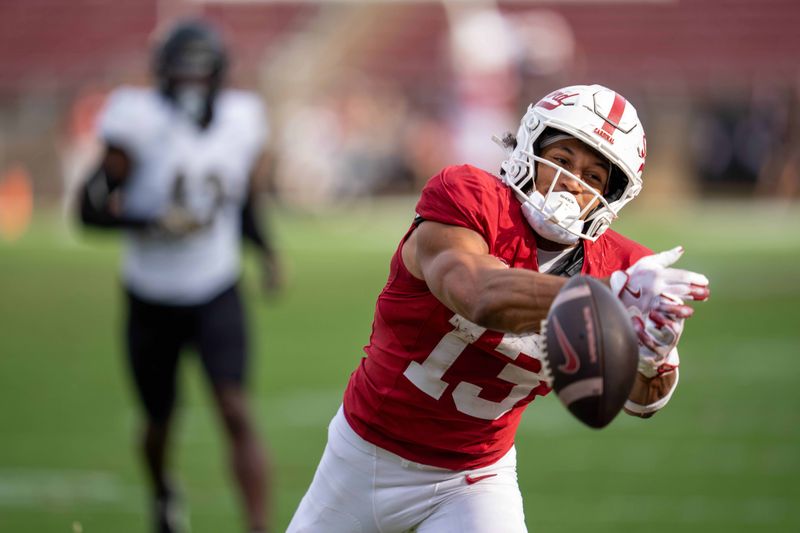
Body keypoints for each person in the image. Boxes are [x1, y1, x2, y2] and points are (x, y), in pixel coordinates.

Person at [286, 84, 710, 533]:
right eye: (562, 160)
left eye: (593, 177)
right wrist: (598, 300)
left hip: (473, 478)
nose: (571, 181)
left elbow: (643, 402)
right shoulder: (468, 196)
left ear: (614, 195)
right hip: (363, 455)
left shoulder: (624, 268)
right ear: (529, 145)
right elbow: (476, 294)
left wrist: (652, 352)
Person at [76, 19, 280, 533]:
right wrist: (149, 221)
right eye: (182, 75)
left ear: (217, 76)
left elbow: (242, 202)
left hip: (216, 286)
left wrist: (266, 252)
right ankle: (164, 492)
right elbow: (87, 209)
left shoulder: (243, 119)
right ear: (164, 76)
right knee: (158, 420)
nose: (192, 85)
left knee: (235, 407)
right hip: (151, 292)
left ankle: (259, 525)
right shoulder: (136, 120)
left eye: (200, 74)